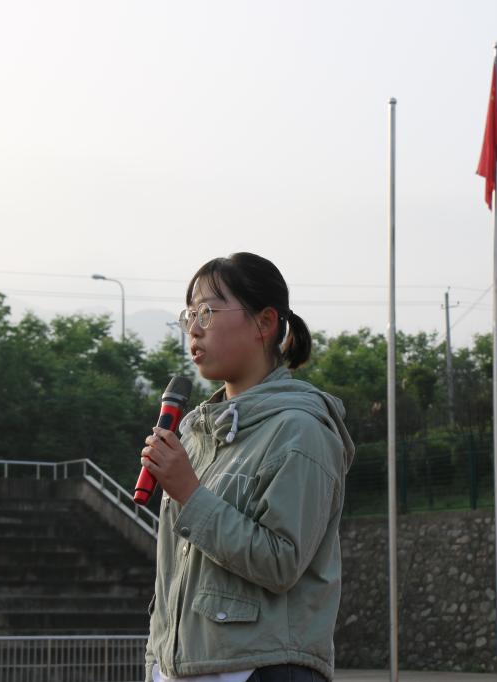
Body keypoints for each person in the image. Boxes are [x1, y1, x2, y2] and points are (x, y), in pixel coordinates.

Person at [140, 252, 355, 682]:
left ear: (264, 322)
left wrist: (190, 495)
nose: (194, 328)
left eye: (207, 312)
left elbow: (282, 562)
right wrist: (155, 663)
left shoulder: (300, 430)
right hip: (181, 668)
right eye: (189, 315)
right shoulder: (195, 436)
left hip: (261, 667)